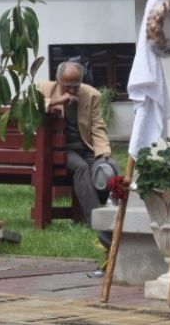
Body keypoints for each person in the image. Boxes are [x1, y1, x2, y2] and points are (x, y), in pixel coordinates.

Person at [38, 61, 119, 255]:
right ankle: (96, 222)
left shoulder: (91, 95)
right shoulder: (44, 89)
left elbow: (97, 126)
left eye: (76, 85)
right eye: (67, 85)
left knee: (109, 167)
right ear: (58, 80)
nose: (73, 89)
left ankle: (116, 215)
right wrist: (57, 101)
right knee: (81, 168)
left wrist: (103, 152)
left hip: (85, 147)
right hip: (59, 150)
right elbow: (26, 107)